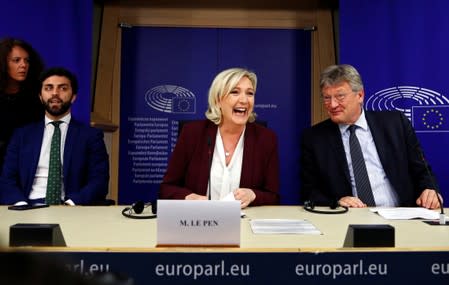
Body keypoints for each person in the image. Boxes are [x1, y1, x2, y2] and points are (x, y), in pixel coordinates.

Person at [301, 64, 442, 209]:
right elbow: (309, 191)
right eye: (326, 98)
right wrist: (337, 201)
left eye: (340, 96)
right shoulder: (314, 138)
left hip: (400, 215)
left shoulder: (396, 123)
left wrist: (430, 190)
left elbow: (422, 171)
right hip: (349, 219)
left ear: (360, 95)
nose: (333, 104)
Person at [159, 67, 280, 208]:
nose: (244, 100)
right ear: (217, 100)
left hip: (244, 225)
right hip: (199, 223)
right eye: (235, 92)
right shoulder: (193, 133)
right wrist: (188, 197)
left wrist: (253, 195)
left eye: (250, 93)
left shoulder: (266, 139)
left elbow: (273, 196)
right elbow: (166, 188)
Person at [0, 67, 109, 205]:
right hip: (28, 206)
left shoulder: (90, 136)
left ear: (74, 96)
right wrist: (21, 205)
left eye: (63, 88)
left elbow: (99, 181)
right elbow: (7, 179)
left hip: (71, 208)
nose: (55, 93)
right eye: (48, 88)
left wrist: (71, 204)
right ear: (40, 96)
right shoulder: (22, 135)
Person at [0, 38, 45, 173]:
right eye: (16, 60)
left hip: (26, 165)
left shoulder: (37, 96)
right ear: (3, 63)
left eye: (27, 60)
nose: (23, 65)